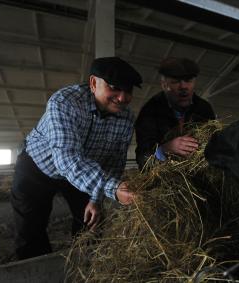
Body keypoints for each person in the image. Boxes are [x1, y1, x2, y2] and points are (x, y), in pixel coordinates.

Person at [11, 57, 139, 260]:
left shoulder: (127, 118)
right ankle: (37, 269)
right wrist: (114, 189)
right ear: (93, 83)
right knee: (30, 228)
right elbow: (67, 159)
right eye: (114, 88)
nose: (122, 98)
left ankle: (85, 266)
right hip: (37, 167)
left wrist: (96, 199)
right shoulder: (65, 102)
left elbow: (114, 161)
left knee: (92, 222)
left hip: (85, 172)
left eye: (128, 91)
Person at [135, 57, 216, 169]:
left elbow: (214, 145)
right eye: (175, 81)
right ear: (164, 84)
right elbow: (142, 158)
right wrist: (165, 149)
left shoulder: (204, 109)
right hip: (164, 180)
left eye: (188, 80)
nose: (183, 86)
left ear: (194, 82)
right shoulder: (150, 110)